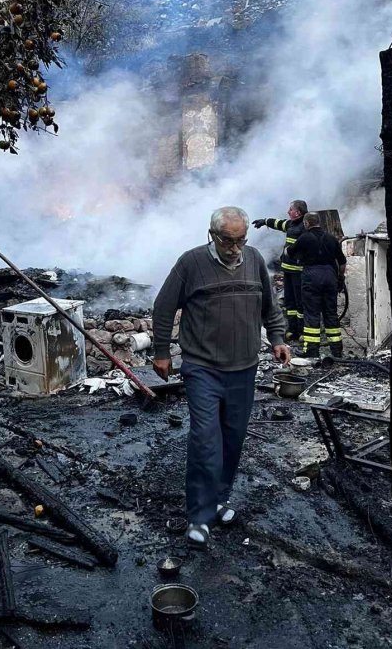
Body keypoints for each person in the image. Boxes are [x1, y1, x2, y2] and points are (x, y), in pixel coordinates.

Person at [152, 206, 290, 549]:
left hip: (244, 368)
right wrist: (161, 352)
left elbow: (269, 307)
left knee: (233, 438)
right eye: (228, 240)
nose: (235, 247)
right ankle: (198, 515)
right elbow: (164, 306)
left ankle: (218, 499)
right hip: (202, 368)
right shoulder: (191, 263)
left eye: (241, 239)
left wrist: (277, 339)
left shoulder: (255, 259)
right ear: (213, 236)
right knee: (205, 439)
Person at [252, 199, 308, 342]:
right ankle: (292, 330)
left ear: (298, 212)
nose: (288, 212)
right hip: (288, 270)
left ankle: (302, 332)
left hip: (299, 271)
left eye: (291, 210)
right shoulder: (292, 224)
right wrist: (264, 221)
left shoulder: (304, 227)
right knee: (290, 302)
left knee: (300, 302)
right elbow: (278, 223)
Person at [292, 212, 346, 357]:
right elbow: (342, 262)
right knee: (331, 313)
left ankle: (311, 350)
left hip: (311, 276)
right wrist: (340, 278)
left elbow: (291, 252)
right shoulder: (331, 238)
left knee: (311, 314)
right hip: (330, 277)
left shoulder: (304, 238)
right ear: (319, 222)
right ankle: (336, 351)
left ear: (307, 223)